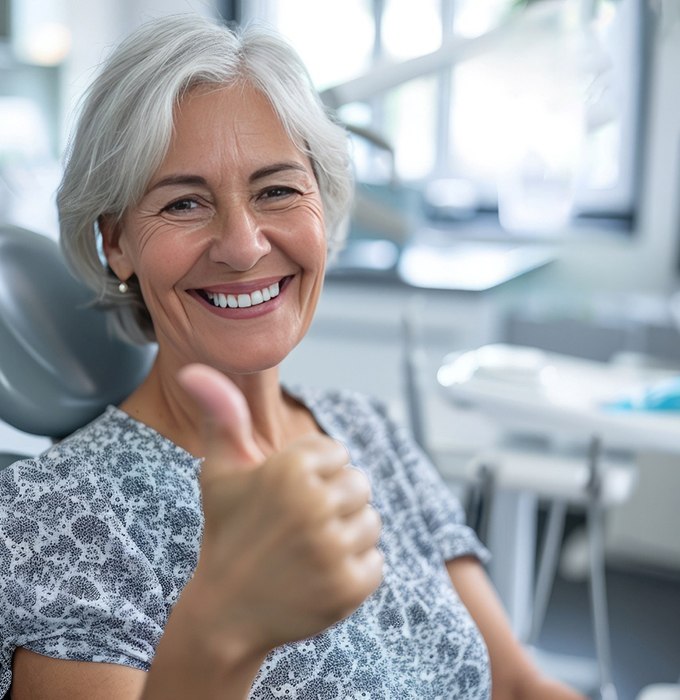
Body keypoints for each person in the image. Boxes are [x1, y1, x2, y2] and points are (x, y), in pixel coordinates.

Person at [0, 13, 586, 700]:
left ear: (324, 204)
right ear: (117, 243)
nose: (243, 245)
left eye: (276, 190)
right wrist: (225, 626)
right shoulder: (60, 512)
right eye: (184, 202)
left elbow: (516, 685)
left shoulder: (368, 432)